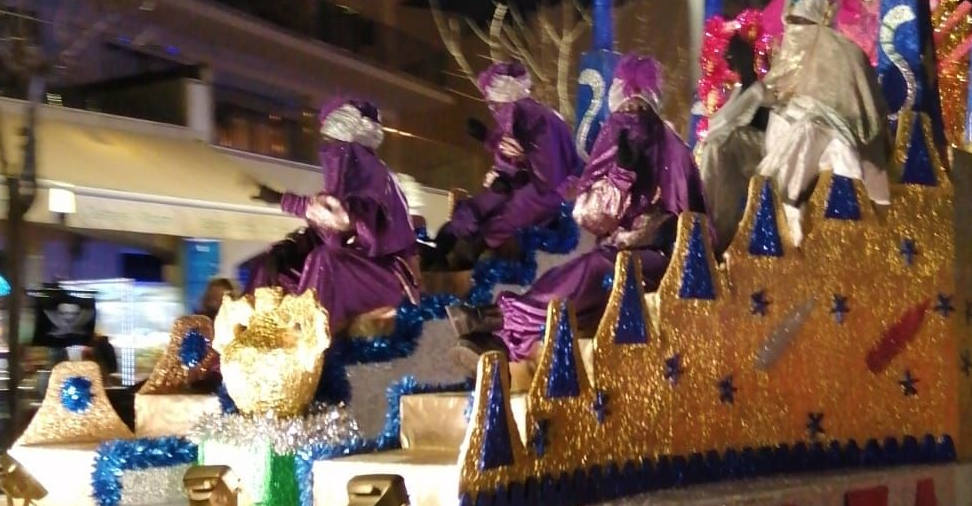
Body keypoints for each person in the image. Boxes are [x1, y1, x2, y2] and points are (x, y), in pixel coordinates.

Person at [450, 54, 708, 364]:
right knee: (573, 273)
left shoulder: (675, 151)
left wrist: (659, 223)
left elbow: (694, 223)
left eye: (639, 108)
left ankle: (496, 318)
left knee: (593, 271)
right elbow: (590, 215)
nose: (632, 114)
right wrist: (620, 176)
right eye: (627, 108)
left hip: (659, 261)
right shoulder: (618, 135)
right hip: (615, 252)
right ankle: (498, 342)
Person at [246, 96, 418, 332]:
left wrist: (283, 200)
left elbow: (342, 219)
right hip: (353, 266)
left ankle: (307, 341)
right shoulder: (346, 181)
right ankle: (256, 332)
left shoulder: (376, 178)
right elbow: (324, 230)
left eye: (332, 142)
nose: (326, 150)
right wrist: (288, 248)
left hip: (386, 275)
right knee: (274, 264)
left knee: (325, 261)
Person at [758, 0, 892, 242]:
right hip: (787, 153)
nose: (796, 31)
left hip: (841, 155)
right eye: (792, 22)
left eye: (804, 23)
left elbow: (863, 121)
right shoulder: (784, 60)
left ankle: (783, 220)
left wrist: (817, 115)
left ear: (823, 21)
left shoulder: (846, 54)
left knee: (812, 131)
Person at [430, 60, 580, 269]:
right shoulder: (522, 114)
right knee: (489, 201)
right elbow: (510, 149)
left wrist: (516, 172)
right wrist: (488, 139)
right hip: (526, 182)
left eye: (495, 104)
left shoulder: (530, 117)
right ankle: (452, 240)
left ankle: (471, 250)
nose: (493, 109)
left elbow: (546, 172)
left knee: (509, 211)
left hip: (549, 190)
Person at [696, 29, 771, 252]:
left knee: (720, 146)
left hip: (756, 150)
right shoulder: (738, 92)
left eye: (734, 53)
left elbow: (739, 122)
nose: (729, 59)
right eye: (728, 54)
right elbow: (721, 123)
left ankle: (719, 230)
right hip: (735, 148)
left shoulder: (759, 90)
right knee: (712, 146)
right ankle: (708, 221)